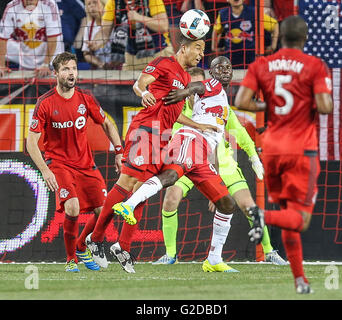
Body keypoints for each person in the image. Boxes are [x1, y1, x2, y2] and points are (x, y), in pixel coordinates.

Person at [111, 56, 257, 273]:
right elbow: (198, 86)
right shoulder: (211, 85)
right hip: (190, 139)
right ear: (212, 71)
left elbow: (216, 137)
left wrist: (214, 167)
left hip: (203, 154)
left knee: (227, 204)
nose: (225, 70)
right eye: (220, 67)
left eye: (229, 67)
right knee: (170, 177)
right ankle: (129, 205)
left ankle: (214, 259)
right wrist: (183, 92)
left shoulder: (223, 97)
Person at [85, 35, 217, 271]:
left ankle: (123, 247)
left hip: (162, 137)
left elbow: (173, 113)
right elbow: (140, 82)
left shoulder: (185, 77)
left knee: (143, 189)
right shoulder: (164, 62)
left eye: (203, 50)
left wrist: (198, 126)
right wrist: (142, 92)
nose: (201, 54)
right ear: (183, 47)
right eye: (198, 48)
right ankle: (94, 239)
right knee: (126, 182)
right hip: (144, 130)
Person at [234, 15, 333, 294]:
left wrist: (271, 103)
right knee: (300, 219)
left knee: (289, 215)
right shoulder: (314, 66)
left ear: (279, 38)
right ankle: (261, 214)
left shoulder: (262, 64)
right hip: (302, 150)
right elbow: (325, 106)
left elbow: (241, 101)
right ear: (304, 39)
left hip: (273, 149)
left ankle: (300, 280)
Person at [152, 66, 286, 267]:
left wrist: (253, 158)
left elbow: (241, 135)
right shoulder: (179, 112)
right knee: (170, 198)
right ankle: (170, 254)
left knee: (249, 207)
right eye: (192, 86)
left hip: (223, 166)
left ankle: (269, 251)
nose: (195, 91)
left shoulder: (220, 107)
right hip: (190, 165)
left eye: (199, 87)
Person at [26, 52, 124, 272]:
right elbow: (31, 142)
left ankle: (81, 246)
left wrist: (119, 151)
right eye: (66, 69)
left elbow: (107, 123)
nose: (71, 73)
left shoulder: (85, 97)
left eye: (74, 69)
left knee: (104, 211)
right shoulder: (45, 103)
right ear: (55, 74)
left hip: (85, 164)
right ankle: (71, 259)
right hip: (58, 164)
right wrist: (45, 171)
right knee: (73, 207)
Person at [87, 0, 174, 70]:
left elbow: (163, 26)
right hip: (131, 58)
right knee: (127, 90)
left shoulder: (152, 1)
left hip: (159, 55)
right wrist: (96, 42)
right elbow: (104, 32)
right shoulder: (113, 2)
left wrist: (139, 18)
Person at [0, 0, 64, 77]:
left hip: (52, 62)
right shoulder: (11, 7)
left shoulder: (49, 5)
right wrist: (1, 66)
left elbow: (53, 38)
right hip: (27, 62)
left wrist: (45, 64)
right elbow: (3, 38)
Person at [211, 0, 279, 69]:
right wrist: (213, 47)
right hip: (230, 59)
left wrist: (273, 45)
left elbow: (275, 25)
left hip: (251, 59)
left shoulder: (254, 12)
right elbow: (216, 31)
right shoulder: (223, 14)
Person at [81, 0, 112, 69]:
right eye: (89, 4)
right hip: (99, 70)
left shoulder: (113, 23)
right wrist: (100, 64)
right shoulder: (89, 27)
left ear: (103, 5)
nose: (92, 5)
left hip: (117, 68)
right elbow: (86, 54)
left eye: (95, 2)